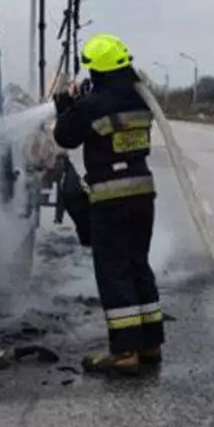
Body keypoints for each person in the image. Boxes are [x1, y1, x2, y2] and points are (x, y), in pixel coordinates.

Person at [52, 33, 163, 375]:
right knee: (138, 266)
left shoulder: (93, 105)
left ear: (98, 70)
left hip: (111, 199)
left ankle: (125, 352)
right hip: (142, 195)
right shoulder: (141, 100)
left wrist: (66, 107)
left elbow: (64, 136)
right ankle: (149, 344)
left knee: (113, 271)